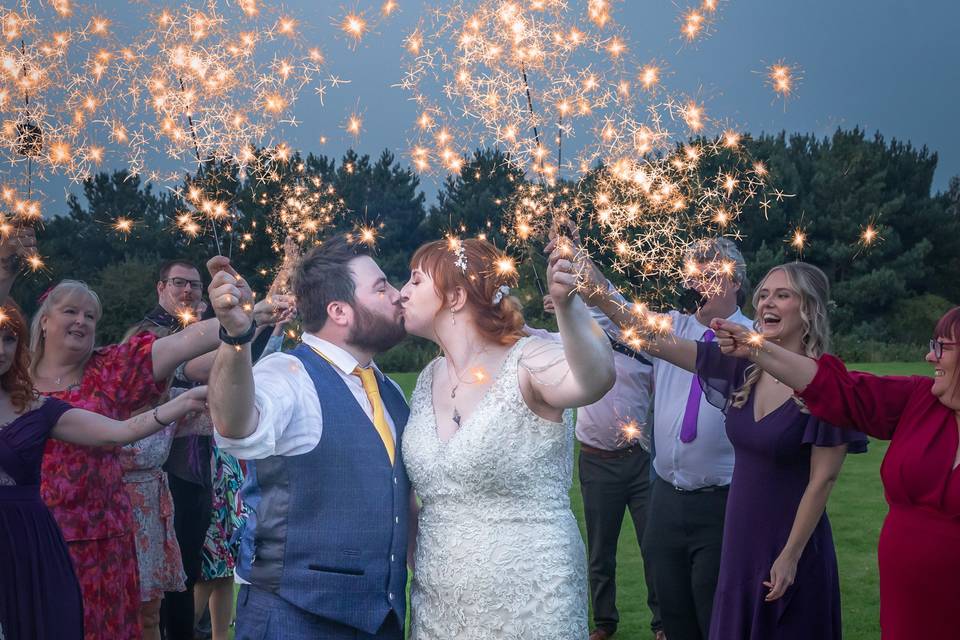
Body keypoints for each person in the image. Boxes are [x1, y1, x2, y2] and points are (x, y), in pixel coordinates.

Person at [604, 262, 867, 638]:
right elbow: (650, 336)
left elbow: (822, 479)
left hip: (788, 542)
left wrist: (790, 555)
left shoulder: (826, 380)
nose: (767, 303)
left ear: (808, 307)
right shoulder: (744, 369)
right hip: (740, 536)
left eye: (782, 294)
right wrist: (584, 275)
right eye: (763, 295)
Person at [399, 237, 616, 638]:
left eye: (414, 281)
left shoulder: (528, 359)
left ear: (456, 296)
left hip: (531, 598)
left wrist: (568, 307)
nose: (401, 294)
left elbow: (596, 379)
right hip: (438, 607)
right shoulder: (428, 379)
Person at [713, 301, 960, 640]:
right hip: (906, 606)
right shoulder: (921, 400)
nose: (930, 357)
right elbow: (836, 388)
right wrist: (757, 348)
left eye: (942, 347)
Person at [207, 240, 410, 640]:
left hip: (381, 620)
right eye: (382, 287)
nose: (398, 295)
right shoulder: (288, 374)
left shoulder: (392, 393)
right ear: (339, 311)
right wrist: (235, 338)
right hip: (293, 617)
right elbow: (235, 425)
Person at [0, 300, 208, 640]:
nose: (1, 349)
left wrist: (179, 404)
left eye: (9, 339)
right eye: (70, 311)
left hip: (42, 536)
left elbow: (118, 431)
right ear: (45, 322)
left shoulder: (36, 407)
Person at [582, 237, 752, 640]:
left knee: (715, 615)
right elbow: (617, 312)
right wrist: (583, 265)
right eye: (693, 274)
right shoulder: (673, 325)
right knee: (673, 615)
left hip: (722, 500)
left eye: (708, 274)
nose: (695, 283)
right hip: (666, 497)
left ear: (732, 281)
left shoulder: (753, 338)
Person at [526, 294, 661, 640]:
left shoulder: (647, 351)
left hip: (640, 461)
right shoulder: (581, 345)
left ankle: (662, 622)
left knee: (654, 546)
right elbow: (536, 337)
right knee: (601, 549)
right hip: (598, 462)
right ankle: (604, 623)